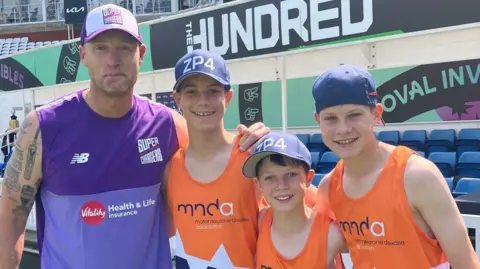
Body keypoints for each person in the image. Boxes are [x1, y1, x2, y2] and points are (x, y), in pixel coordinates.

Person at [0, 4, 268, 269]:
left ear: (140, 54)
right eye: (101, 48)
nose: (113, 60)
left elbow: (216, 156)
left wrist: (251, 140)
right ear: (83, 55)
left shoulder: (167, 126)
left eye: (124, 48)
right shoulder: (43, 127)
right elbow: (11, 215)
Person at [313, 64, 480, 269]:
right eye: (331, 118)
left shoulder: (417, 176)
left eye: (354, 115)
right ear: (318, 121)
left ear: (377, 114)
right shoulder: (329, 187)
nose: (343, 129)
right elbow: (319, 248)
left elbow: (467, 263)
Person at [164, 49, 318, 268]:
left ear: (228, 97)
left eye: (212, 91)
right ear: (177, 98)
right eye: (191, 92)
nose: (203, 101)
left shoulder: (253, 154)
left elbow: (315, 207)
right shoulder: (170, 169)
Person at [242, 132, 347, 269]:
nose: (281, 186)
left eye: (291, 174)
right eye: (270, 178)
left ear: (309, 178)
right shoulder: (260, 223)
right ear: (258, 184)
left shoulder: (331, 235)